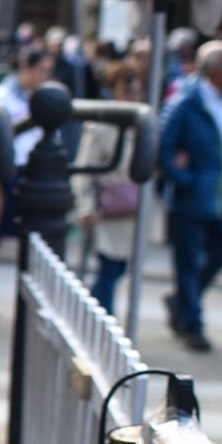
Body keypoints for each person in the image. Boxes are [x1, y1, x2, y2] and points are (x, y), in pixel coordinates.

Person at [157, 41, 222, 351]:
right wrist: (186, 180)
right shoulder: (185, 101)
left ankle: (183, 302)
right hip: (191, 198)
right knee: (187, 263)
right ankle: (192, 325)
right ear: (213, 69)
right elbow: (162, 148)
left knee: (220, 254)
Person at [0, 45, 52, 319]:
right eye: (41, 71)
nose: (45, 76)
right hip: (5, 173)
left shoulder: (39, 98)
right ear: (26, 69)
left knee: (33, 243)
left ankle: (34, 306)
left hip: (31, 173)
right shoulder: (1, 97)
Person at [75, 58, 147, 314]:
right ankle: (100, 318)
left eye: (136, 91)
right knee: (110, 268)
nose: (132, 97)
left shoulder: (144, 122)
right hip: (108, 209)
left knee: (119, 269)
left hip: (134, 209)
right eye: (127, 91)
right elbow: (83, 170)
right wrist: (86, 206)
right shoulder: (100, 125)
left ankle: (96, 316)